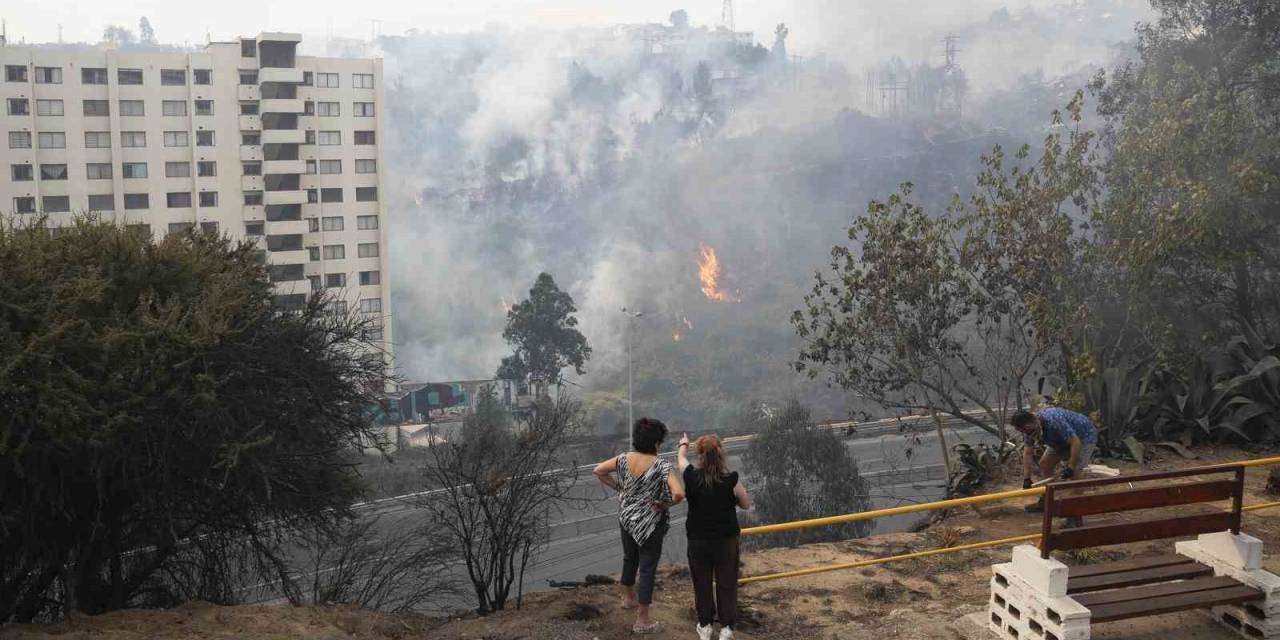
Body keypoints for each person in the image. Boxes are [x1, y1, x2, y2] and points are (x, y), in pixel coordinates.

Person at [593, 417, 685, 634]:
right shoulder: (662, 466)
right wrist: (664, 504)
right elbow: (679, 493)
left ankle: (628, 598)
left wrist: (620, 488)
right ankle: (642, 620)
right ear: (656, 443)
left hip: (626, 517)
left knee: (629, 558)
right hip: (651, 523)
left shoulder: (623, 459)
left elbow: (598, 470)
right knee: (647, 567)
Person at [677, 432, 751, 640]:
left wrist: (683, 444)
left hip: (698, 540)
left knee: (702, 582)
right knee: (727, 582)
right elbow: (746, 504)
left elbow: (681, 460)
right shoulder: (731, 479)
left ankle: (706, 625)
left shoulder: (691, 477)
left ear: (700, 455)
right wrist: (729, 501)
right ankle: (726, 629)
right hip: (726, 540)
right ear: (721, 454)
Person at [1012, 407, 1098, 525]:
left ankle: (1075, 513)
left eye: (1025, 429)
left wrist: (1071, 466)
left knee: (1075, 473)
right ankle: (1047, 502)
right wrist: (1027, 478)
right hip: (1060, 441)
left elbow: (1075, 442)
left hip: (1083, 437)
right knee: (1045, 465)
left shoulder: (1053, 420)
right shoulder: (1028, 430)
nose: (1024, 432)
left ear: (1032, 421)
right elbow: (1027, 452)